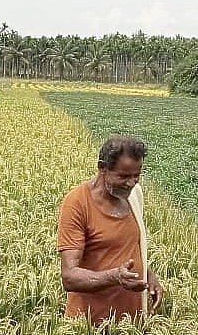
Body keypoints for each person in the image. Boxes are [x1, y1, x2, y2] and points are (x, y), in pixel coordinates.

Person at [58, 135, 163, 324]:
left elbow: (126, 248)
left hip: (131, 324)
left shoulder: (134, 196)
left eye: (136, 176)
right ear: (102, 168)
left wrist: (148, 275)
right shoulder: (77, 203)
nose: (131, 183)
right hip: (90, 326)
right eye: (123, 176)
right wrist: (115, 277)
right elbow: (69, 277)